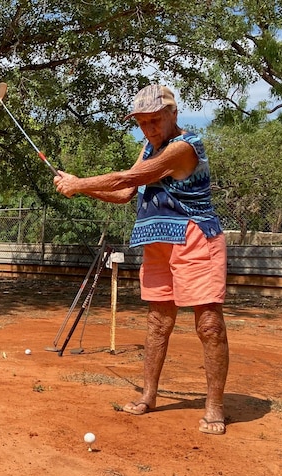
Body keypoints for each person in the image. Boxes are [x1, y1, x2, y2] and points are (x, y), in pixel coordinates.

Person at [53, 85, 229, 435]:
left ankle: (215, 407)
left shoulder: (183, 147)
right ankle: (148, 396)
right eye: (142, 122)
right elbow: (122, 193)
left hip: (194, 237)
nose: (148, 128)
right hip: (158, 242)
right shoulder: (149, 146)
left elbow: (133, 177)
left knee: (208, 324)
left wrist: (79, 181)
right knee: (157, 323)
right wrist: (80, 188)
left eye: (154, 120)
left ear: (173, 114)